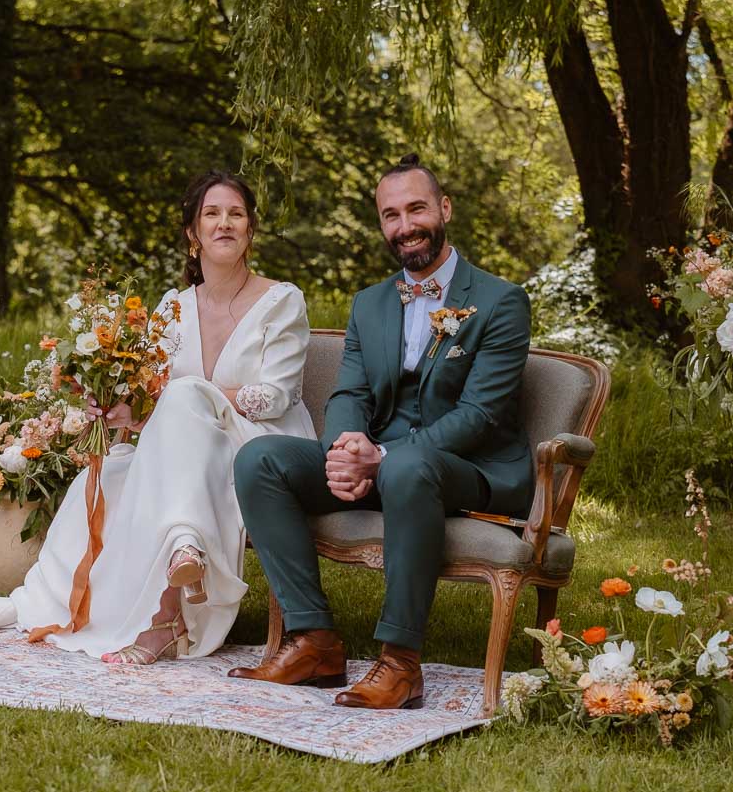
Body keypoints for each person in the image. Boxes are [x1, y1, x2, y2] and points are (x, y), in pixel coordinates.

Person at [0, 171, 315, 664]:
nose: (224, 223)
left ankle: (169, 599)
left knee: (182, 400)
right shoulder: (172, 308)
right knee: (109, 475)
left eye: (236, 214)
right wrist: (121, 411)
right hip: (187, 450)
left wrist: (192, 395)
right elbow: (154, 403)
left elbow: (273, 397)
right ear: (192, 233)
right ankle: (140, 592)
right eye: (212, 214)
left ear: (250, 230)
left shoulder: (281, 301)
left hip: (258, 449)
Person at [228, 154, 533, 709]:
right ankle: (313, 640)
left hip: (470, 469)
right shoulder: (371, 303)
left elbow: (480, 414)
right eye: (390, 215)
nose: (405, 225)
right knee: (260, 459)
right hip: (385, 462)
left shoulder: (499, 301)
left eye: (416, 208)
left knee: (407, 465)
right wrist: (346, 448)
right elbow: (349, 394)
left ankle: (400, 663)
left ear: (444, 208)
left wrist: (384, 455)